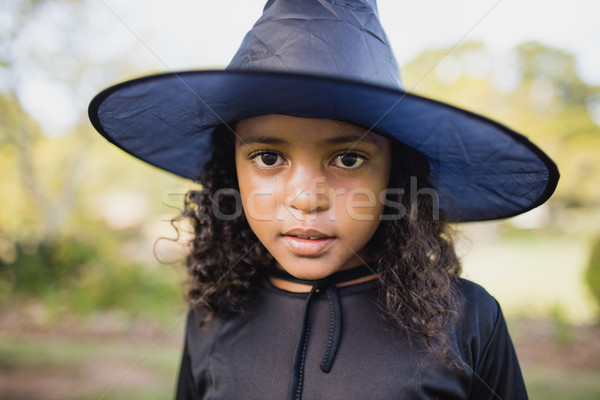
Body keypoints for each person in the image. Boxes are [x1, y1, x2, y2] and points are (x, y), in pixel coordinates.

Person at [88, 1, 559, 399]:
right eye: (269, 156)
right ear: (229, 169)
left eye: (348, 159)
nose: (306, 198)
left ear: (395, 173)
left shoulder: (467, 321)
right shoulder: (212, 317)